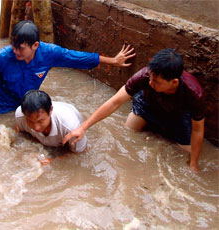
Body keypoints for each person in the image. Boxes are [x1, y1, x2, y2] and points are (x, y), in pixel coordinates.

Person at [0, 20, 135, 119]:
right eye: (13, 46)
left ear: (35, 45)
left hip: (21, 108)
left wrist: (113, 61)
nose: (15, 51)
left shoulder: (50, 53)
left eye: (20, 48)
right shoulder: (3, 56)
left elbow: (78, 58)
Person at [63, 49, 205, 172]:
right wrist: (83, 128)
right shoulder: (144, 76)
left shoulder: (194, 93)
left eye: (156, 82)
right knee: (128, 133)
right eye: (150, 78)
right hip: (147, 106)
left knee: (187, 152)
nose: (150, 83)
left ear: (174, 82)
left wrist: (193, 164)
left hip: (177, 116)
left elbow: (198, 130)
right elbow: (114, 102)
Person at [15, 90, 87, 154]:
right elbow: (18, 134)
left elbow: (81, 152)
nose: (36, 128)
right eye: (30, 121)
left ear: (50, 111)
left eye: (40, 121)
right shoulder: (20, 116)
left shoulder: (70, 127)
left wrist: (53, 160)